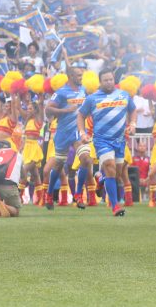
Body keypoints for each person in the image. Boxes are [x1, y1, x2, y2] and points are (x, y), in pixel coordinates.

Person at [77, 68, 137, 216]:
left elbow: (133, 110)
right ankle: (115, 206)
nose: (109, 82)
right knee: (109, 167)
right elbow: (80, 115)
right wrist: (82, 132)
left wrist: (133, 124)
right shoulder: (92, 98)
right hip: (102, 140)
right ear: (100, 82)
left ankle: (101, 180)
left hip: (120, 141)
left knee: (115, 175)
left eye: (111, 79)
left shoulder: (124, 95)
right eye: (106, 80)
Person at [44, 63, 86, 209]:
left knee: (86, 159)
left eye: (82, 75)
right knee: (58, 165)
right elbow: (48, 108)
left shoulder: (84, 90)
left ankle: (78, 194)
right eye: (79, 75)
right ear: (71, 77)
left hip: (78, 132)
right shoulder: (61, 92)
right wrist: (66, 110)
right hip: (62, 133)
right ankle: (49, 194)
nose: (81, 78)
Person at [19, 97, 45, 204]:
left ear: (35, 110)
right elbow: (24, 137)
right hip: (27, 148)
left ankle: (18, 195)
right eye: (27, 108)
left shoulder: (38, 120)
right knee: (35, 174)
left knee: (24, 170)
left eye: (30, 109)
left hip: (34, 148)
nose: (28, 110)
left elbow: (41, 111)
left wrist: (39, 102)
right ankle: (40, 197)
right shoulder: (27, 121)